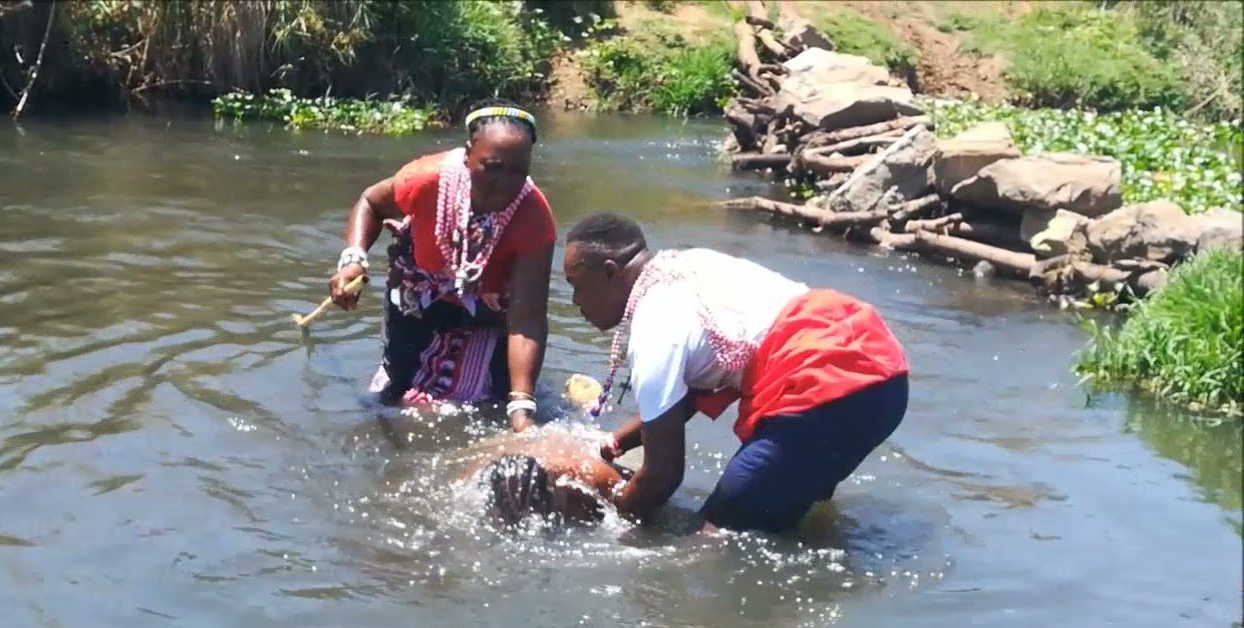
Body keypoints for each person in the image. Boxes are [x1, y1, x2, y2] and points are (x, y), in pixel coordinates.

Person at [561, 212, 911, 534]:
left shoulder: (654, 328)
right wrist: (614, 444)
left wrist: (614, 525)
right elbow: (680, 402)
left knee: (715, 537)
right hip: (883, 374)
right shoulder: (689, 264)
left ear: (610, 271)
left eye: (577, 285)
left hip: (825, 386)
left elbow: (662, 474)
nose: (575, 301)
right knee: (787, 505)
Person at [327, 99, 555, 431]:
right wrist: (353, 259)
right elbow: (371, 203)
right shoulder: (426, 180)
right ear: (468, 154)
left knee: (494, 401)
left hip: (490, 308)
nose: (505, 183)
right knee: (395, 391)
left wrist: (522, 406)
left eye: (518, 171)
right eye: (492, 167)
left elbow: (527, 318)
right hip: (419, 295)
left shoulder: (533, 217)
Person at [458, 429, 631, 526]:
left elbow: (630, 506)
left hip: (593, 451)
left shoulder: (587, 478)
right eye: (506, 504)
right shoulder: (481, 476)